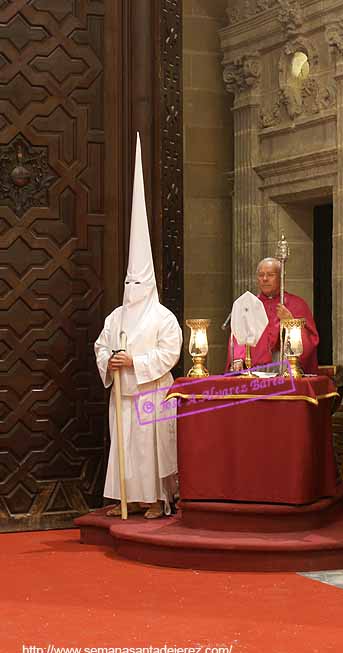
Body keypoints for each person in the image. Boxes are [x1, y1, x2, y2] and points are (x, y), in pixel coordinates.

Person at [94, 134, 182, 519]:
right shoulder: (116, 315)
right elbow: (101, 344)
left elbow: (170, 352)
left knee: (149, 448)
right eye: (128, 283)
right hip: (122, 394)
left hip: (149, 391)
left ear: (149, 285)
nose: (131, 289)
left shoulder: (163, 317)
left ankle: (154, 500)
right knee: (124, 447)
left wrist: (135, 361)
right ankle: (125, 499)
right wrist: (110, 361)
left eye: (138, 284)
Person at [228, 257, 319, 373]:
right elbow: (238, 335)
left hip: (285, 368)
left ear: (280, 277)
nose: (265, 279)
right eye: (261, 275)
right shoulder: (248, 305)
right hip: (254, 369)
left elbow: (310, 341)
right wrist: (238, 358)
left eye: (270, 275)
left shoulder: (297, 304)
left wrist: (290, 322)